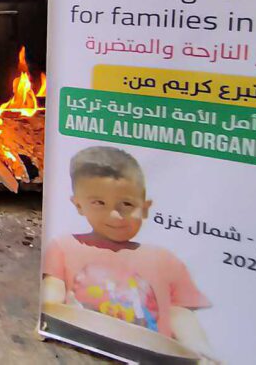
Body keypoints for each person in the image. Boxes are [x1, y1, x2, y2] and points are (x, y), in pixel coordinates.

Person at [41, 146, 216, 361]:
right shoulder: (64, 246)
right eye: (99, 203)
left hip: (149, 356)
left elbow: (179, 312)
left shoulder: (165, 260)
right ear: (78, 204)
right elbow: (53, 288)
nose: (115, 215)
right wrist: (46, 316)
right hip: (79, 349)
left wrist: (198, 347)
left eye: (126, 204)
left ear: (145, 207)